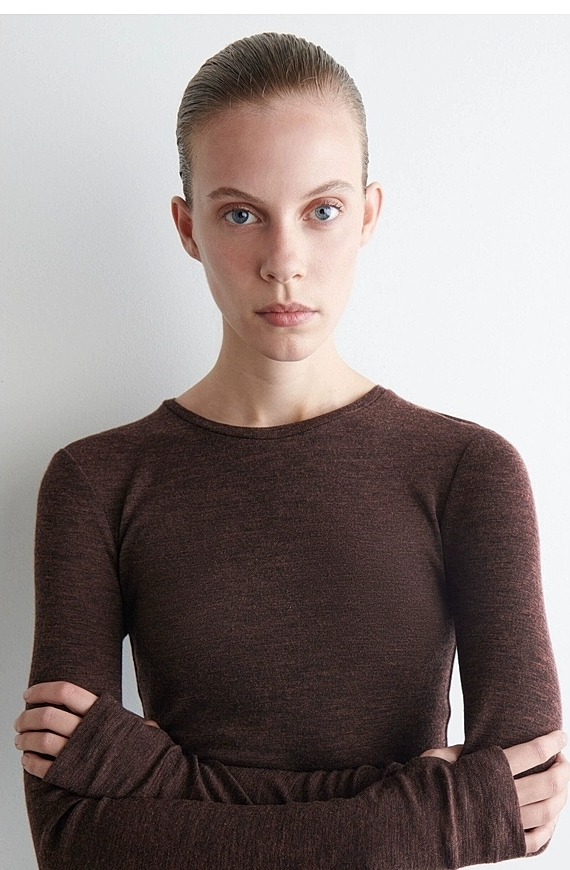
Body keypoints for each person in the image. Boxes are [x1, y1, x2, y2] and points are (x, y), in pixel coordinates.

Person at [13, 32, 568, 870]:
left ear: (368, 215)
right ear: (188, 227)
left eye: (322, 211)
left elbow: (527, 806)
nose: (284, 263)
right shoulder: (96, 483)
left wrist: (160, 778)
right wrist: (428, 814)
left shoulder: (467, 472)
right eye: (241, 214)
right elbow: (72, 840)